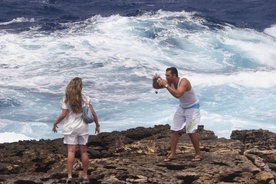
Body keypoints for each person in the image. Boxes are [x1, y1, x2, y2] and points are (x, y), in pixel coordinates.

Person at [52, 77, 100, 184]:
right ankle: (85, 176)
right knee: (83, 151)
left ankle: (69, 176)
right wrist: (97, 125)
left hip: (70, 128)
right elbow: (93, 113)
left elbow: (64, 115)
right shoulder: (85, 98)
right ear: (81, 87)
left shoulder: (66, 99)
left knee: (71, 151)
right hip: (83, 128)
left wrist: (55, 123)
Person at [152, 67, 201, 162]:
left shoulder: (184, 82)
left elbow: (178, 94)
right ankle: (172, 154)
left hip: (193, 108)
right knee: (174, 130)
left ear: (174, 75)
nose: (166, 77)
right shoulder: (169, 82)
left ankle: (198, 154)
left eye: (168, 75)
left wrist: (166, 85)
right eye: (165, 75)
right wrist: (154, 80)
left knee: (191, 131)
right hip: (182, 107)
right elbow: (156, 87)